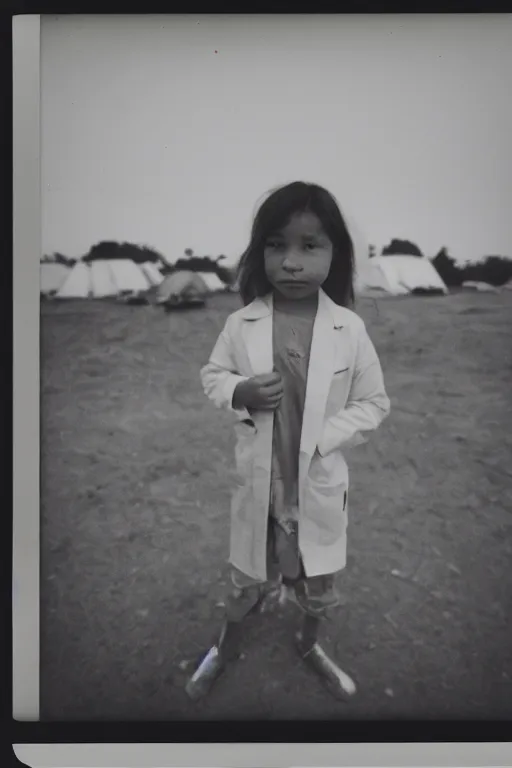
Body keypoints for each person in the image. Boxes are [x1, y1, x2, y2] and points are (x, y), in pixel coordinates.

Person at [185, 181, 391, 702]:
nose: (291, 262)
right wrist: (240, 389)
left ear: (335, 254)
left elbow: (373, 403)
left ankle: (308, 645)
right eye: (277, 245)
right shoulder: (242, 323)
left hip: (315, 487)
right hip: (262, 483)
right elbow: (213, 375)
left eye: (310, 245)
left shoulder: (349, 329)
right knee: (246, 580)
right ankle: (226, 648)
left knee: (315, 583)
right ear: (259, 254)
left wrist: (323, 439)